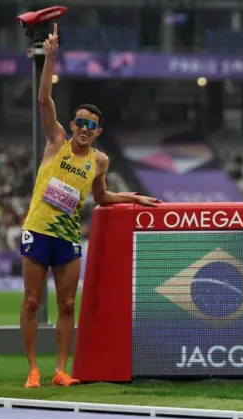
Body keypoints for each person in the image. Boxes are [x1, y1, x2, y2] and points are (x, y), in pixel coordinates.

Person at [19, 24, 160, 388]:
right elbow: (44, 99)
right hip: (38, 230)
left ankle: (61, 371)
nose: (83, 128)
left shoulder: (99, 161)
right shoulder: (56, 142)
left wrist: (132, 197)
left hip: (67, 238)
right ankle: (33, 369)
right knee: (33, 301)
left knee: (67, 306)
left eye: (90, 125)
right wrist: (50, 58)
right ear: (72, 124)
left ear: (98, 131)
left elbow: (101, 198)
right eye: (80, 122)